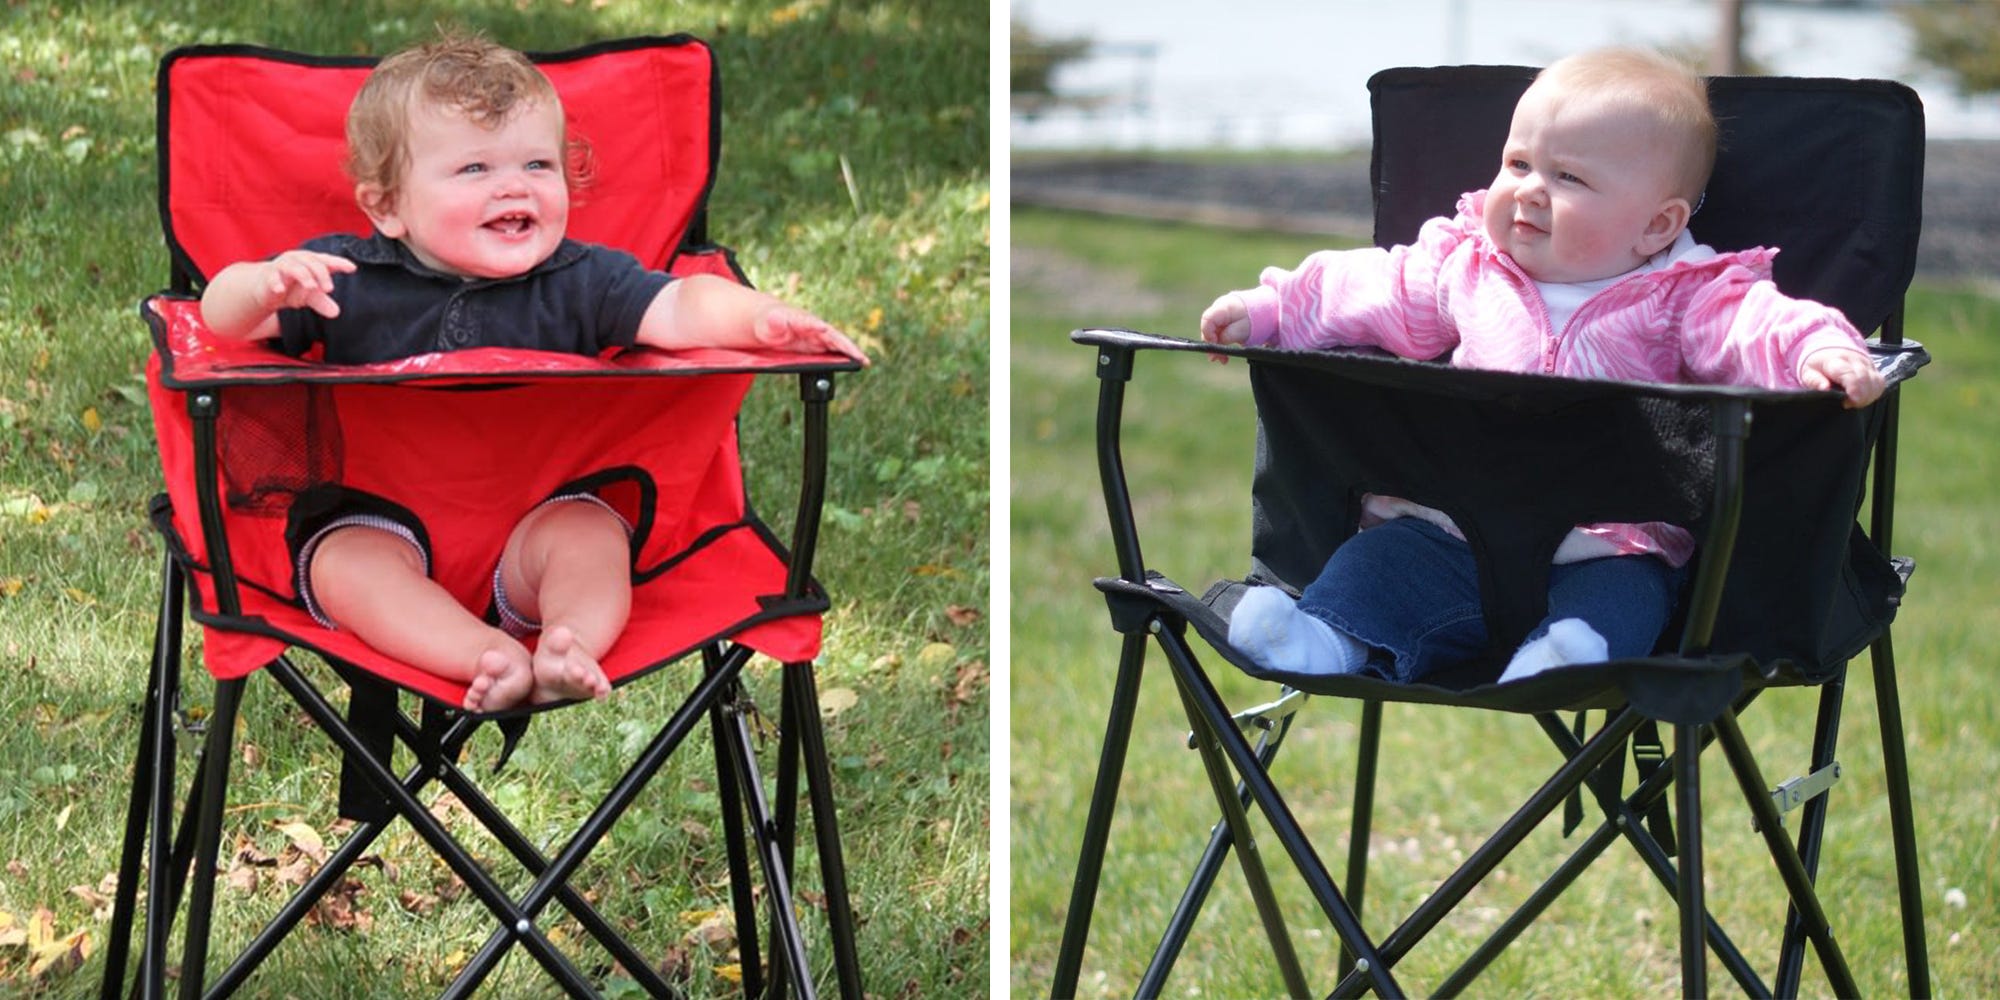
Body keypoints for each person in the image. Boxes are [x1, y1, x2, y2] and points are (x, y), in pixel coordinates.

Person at [200, 33, 867, 712]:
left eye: (538, 164)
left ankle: (568, 643)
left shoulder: (582, 280)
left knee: (592, 535)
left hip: (538, 519)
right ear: (386, 206)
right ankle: (482, 657)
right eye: (474, 170)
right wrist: (261, 284)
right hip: (378, 516)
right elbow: (218, 322)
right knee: (344, 563)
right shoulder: (342, 279)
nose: (514, 185)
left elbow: (681, 305)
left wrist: (764, 320)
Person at [1197, 47, 1884, 686]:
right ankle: (1323, 639)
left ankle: (1563, 661)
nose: (1528, 190)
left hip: (1612, 541)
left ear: (1656, 225)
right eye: (1518, 164)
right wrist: (1271, 310)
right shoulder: (1465, 264)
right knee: (1379, 564)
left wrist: (1818, 351)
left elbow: (1759, 325)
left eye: (1568, 178)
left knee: (1629, 599)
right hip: (1455, 527)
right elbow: (1363, 290)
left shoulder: (1685, 295)